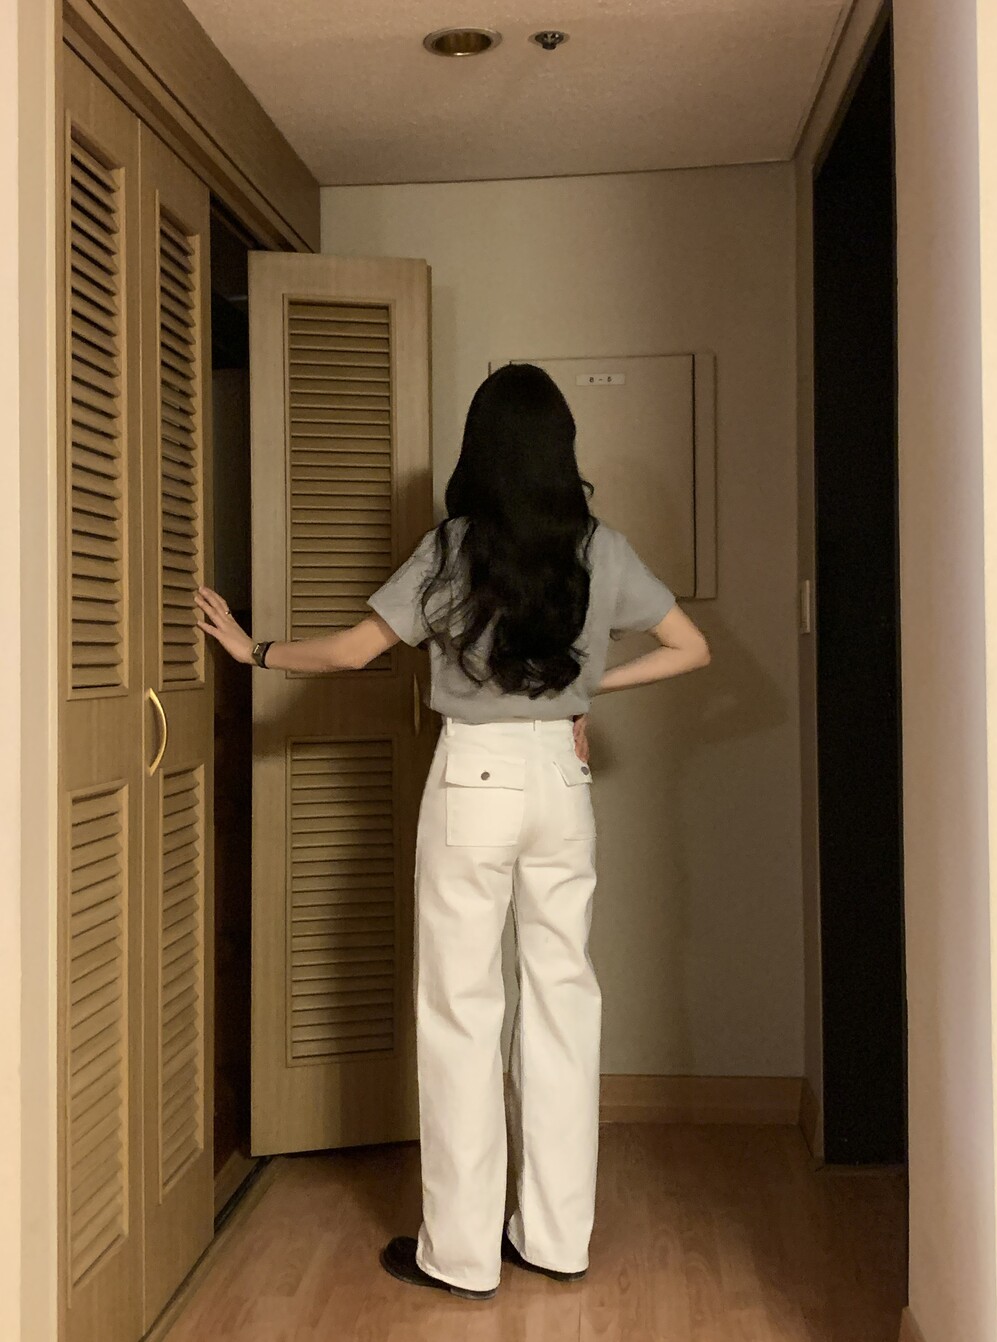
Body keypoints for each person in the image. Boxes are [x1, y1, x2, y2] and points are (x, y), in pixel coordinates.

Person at [195, 362, 710, 1302]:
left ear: (482, 450)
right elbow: (691, 648)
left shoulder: (453, 548)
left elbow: (353, 651)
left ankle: (462, 1255)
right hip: (562, 783)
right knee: (563, 1004)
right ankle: (555, 1238)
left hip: (474, 777)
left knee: (462, 1013)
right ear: (559, 450)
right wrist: (584, 693)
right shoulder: (599, 548)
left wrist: (253, 649)